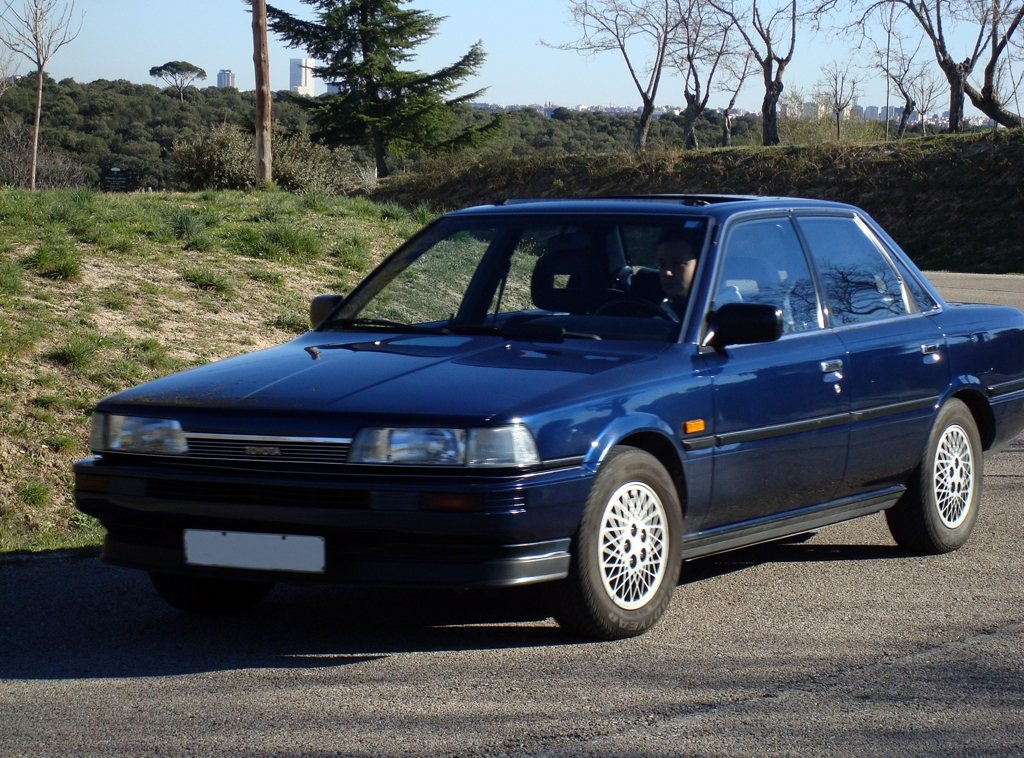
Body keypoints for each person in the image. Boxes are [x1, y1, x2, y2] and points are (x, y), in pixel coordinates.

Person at [656, 233, 699, 317]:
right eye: (662, 264)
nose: (667, 273)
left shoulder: (719, 314)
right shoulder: (654, 310)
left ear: (700, 264)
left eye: (677, 263)